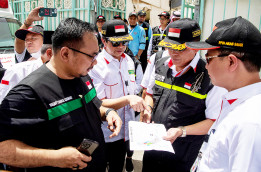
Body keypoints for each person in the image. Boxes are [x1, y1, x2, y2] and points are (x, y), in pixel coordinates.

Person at [0, 18, 122, 172]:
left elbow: (92, 106)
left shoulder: (82, 75)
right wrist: (55, 158)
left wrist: (108, 113)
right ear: (65, 54)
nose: (95, 63)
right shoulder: (29, 93)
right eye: (91, 56)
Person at [140, 18, 226, 172]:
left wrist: (181, 131)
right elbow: (149, 93)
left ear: (195, 48)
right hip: (152, 145)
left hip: (182, 153)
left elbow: (212, 121)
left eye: (179, 48)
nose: (173, 52)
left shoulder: (210, 76)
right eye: (169, 46)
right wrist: (147, 109)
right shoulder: (158, 61)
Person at [186, 16, 261, 172]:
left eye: (208, 59)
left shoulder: (250, 122)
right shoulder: (235, 101)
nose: (205, 66)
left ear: (231, 62)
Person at [88, 19, 149, 172]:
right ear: (103, 40)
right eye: (116, 43)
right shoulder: (96, 65)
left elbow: (131, 90)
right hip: (105, 132)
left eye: (124, 42)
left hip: (125, 132)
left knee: (117, 167)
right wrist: (128, 99)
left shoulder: (128, 61)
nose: (121, 47)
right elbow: (97, 102)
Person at [0, 31, 53, 104]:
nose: (29, 42)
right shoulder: (17, 70)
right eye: (26, 40)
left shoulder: (65, 71)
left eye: (33, 38)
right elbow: (4, 100)